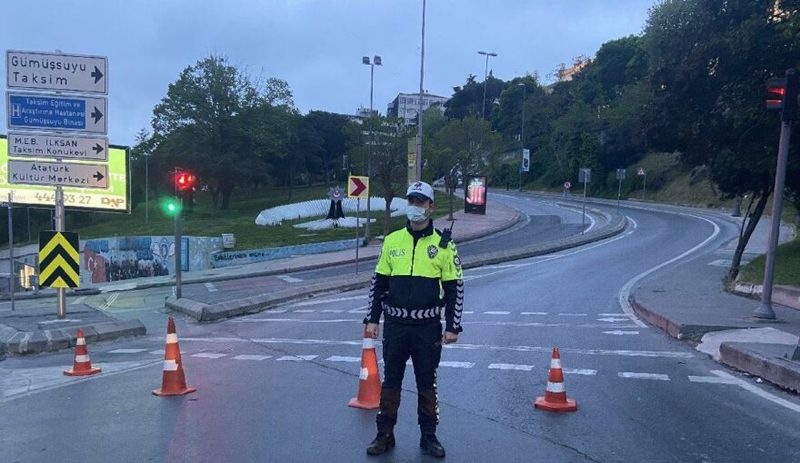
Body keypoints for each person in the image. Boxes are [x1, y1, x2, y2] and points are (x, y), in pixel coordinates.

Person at [364, 181, 464, 458]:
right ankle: (384, 434)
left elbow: (456, 287)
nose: (415, 207)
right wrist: (372, 319)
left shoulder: (444, 245)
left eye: (421, 202)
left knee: (426, 383)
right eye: (412, 201)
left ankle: (428, 436)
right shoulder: (393, 240)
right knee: (391, 382)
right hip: (395, 327)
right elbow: (378, 283)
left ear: (431, 207)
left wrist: (453, 326)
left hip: (427, 328)